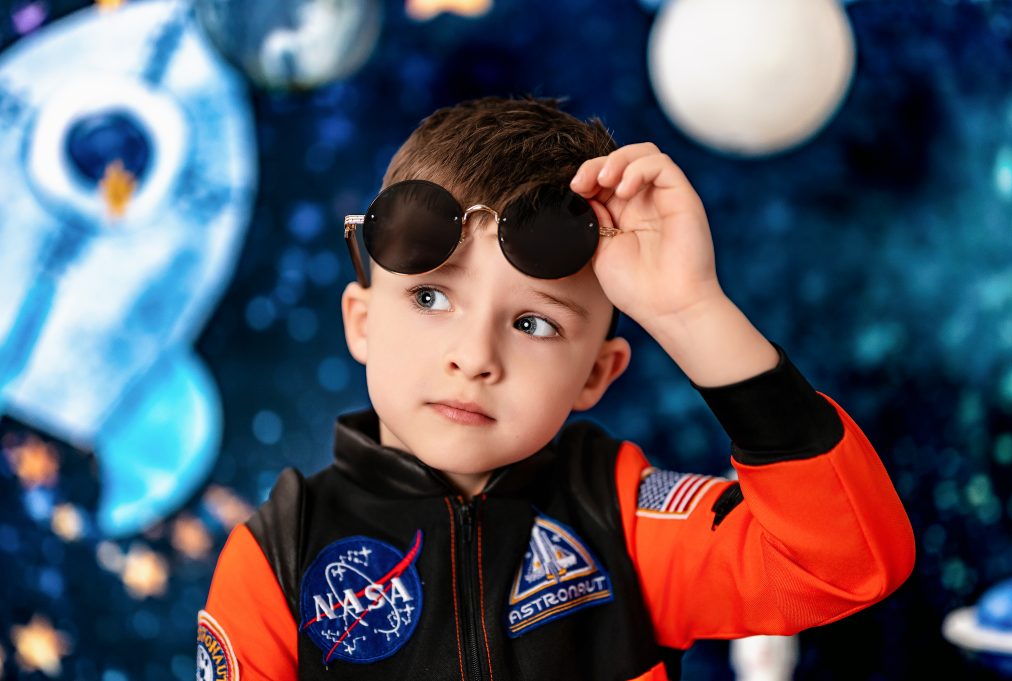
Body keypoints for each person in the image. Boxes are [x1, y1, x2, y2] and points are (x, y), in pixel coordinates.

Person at [197, 96, 916, 681]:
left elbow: (847, 563)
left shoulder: (621, 518)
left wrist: (691, 312)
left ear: (597, 373)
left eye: (534, 322)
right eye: (429, 299)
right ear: (361, 321)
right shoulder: (280, 555)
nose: (474, 356)